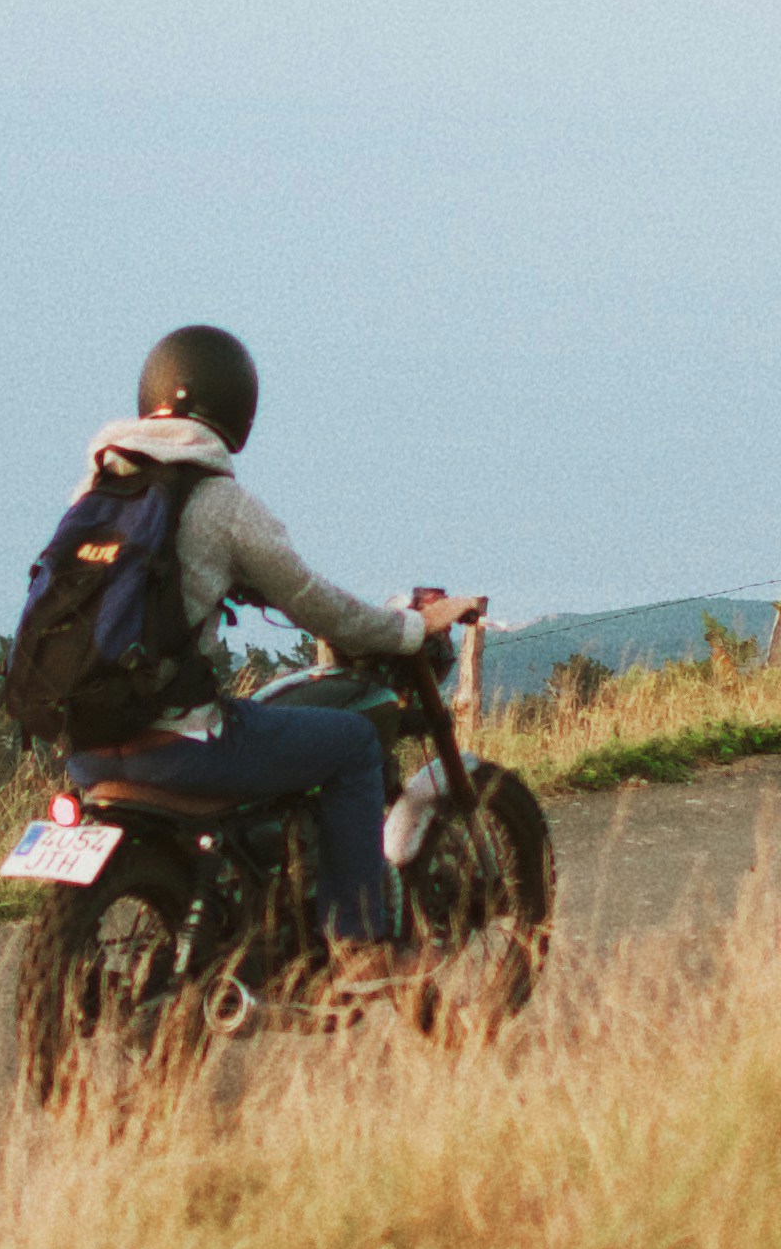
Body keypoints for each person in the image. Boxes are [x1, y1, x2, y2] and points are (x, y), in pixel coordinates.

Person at [62, 323, 488, 1001]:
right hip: (179, 750)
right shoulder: (219, 504)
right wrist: (411, 628)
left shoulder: (94, 495)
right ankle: (357, 946)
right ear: (237, 406)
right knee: (349, 744)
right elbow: (321, 606)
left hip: (86, 750)